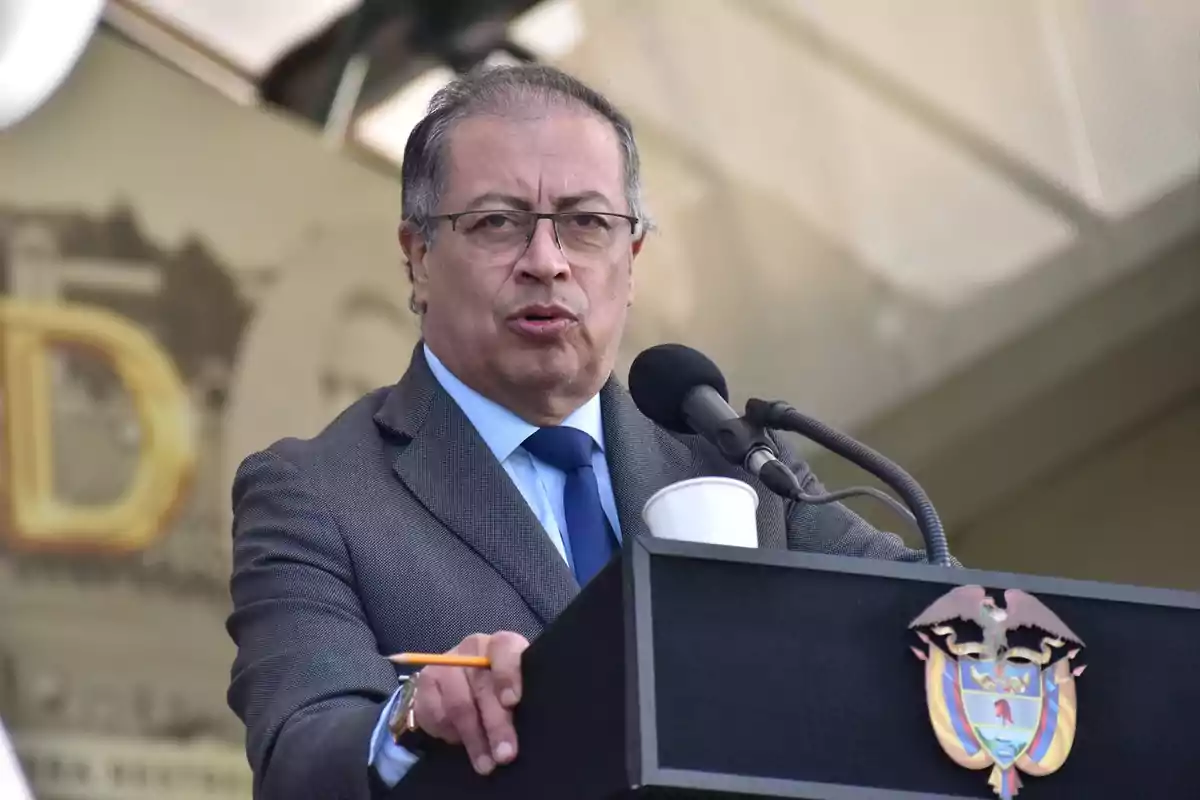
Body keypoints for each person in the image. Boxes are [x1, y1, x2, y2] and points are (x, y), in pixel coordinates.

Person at [225, 64, 937, 799]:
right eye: (497, 222)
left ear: (629, 263)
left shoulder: (735, 458)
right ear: (418, 257)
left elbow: (926, 626)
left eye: (586, 224)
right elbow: (301, 751)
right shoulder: (316, 493)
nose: (546, 262)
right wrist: (410, 717)